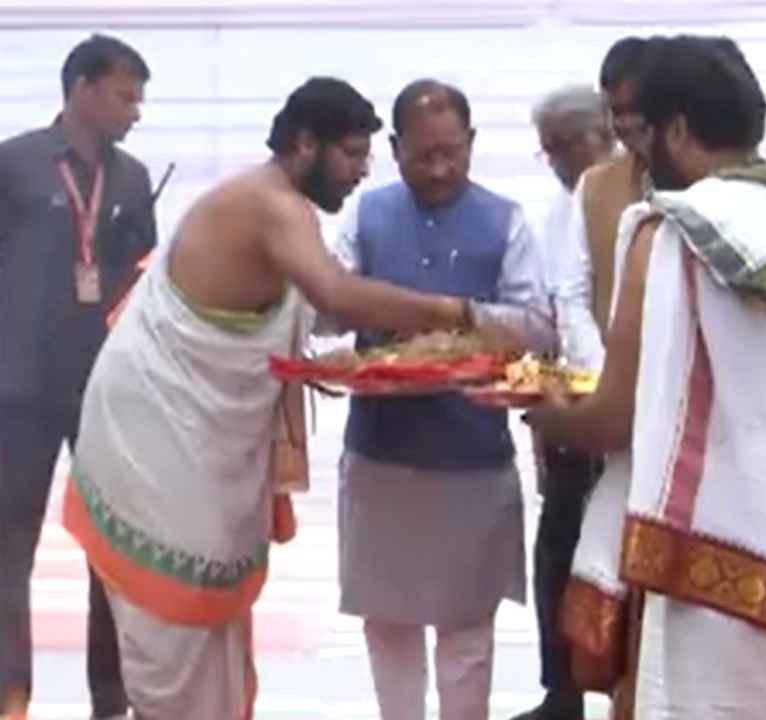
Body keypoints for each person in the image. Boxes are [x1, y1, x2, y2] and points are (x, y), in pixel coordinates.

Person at [63, 77, 491, 720]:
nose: (362, 172)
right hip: (155, 438)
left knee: (210, 625)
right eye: (352, 154)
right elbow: (335, 295)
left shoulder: (281, 206)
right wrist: (456, 313)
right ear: (305, 144)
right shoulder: (272, 206)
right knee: (171, 633)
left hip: (192, 443)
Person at [527, 35, 766, 719]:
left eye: (645, 134)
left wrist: (546, 413)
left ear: (675, 129)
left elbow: (614, 417)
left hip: (729, 544)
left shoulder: (672, 230)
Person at [0, 33, 155, 720]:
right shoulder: (10, 164)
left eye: (139, 100)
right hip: (23, 386)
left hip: (107, 393)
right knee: (13, 547)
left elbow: (145, 292)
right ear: (82, 89)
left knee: (112, 553)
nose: (135, 112)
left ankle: (110, 702)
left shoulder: (133, 178)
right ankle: (11, 702)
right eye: (124, 96)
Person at [322, 78, 554, 720]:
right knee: (387, 625)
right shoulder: (365, 215)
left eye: (452, 152)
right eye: (423, 155)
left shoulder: (506, 220)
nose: (439, 169)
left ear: (472, 142)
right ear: (395, 148)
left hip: (472, 456)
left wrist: (462, 317)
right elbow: (326, 309)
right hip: (381, 455)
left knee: (467, 631)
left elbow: (537, 325)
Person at [512, 83, 615, 720]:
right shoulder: (555, 213)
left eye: (563, 146)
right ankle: (562, 692)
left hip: (626, 406)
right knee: (558, 547)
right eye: (547, 149)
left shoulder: (634, 201)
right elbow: (548, 315)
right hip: (567, 409)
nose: (554, 160)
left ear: (603, 135)